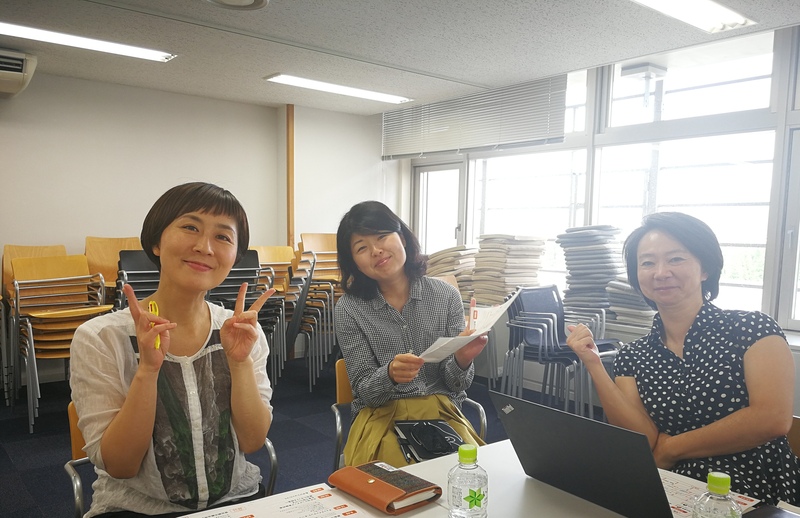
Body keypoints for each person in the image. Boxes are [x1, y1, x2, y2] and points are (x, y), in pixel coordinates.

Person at [70, 182, 275, 517]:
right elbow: (120, 465)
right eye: (190, 227)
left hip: (236, 501)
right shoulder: (100, 337)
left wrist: (239, 364)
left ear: (235, 255)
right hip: (136, 509)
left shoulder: (241, 331)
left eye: (223, 236)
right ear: (156, 241)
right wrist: (148, 371)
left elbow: (252, 442)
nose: (205, 247)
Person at [566, 212, 800, 505]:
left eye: (675, 259)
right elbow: (643, 439)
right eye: (647, 263)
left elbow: (772, 419)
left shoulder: (752, 329)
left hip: (753, 488)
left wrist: (672, 449)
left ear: (705, 269)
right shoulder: (633, 355)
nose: (661, 272)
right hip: (672, 486)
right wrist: (594, 364)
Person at [334, 200, 488, 467]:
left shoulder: (446, 296)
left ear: (402, 238)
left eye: (381, 236)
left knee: (473, 476)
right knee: (400, 484)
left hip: (441, 412)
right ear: (354, 263)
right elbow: (365, 392)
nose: (376, 251)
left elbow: (456, 385)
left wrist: (462, 359)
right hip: (381, 415)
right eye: (362, 248)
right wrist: (390, 375)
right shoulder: (349, 308)